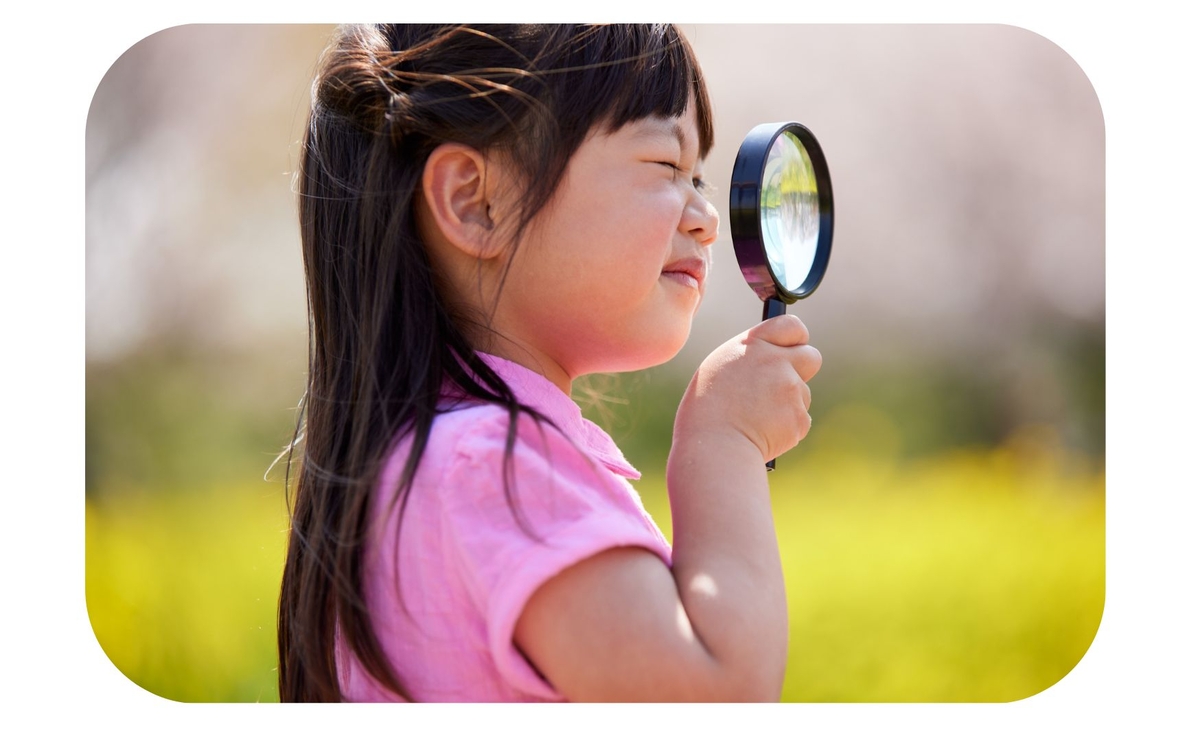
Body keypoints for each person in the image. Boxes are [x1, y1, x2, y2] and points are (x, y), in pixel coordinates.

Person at [277, 23, 822, 703]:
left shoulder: (437, 460)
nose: (707, 217)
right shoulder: (490, 465)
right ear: (477, 201)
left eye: (700, 178)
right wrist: (723, 444)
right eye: (665, 166)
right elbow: (716, 698)